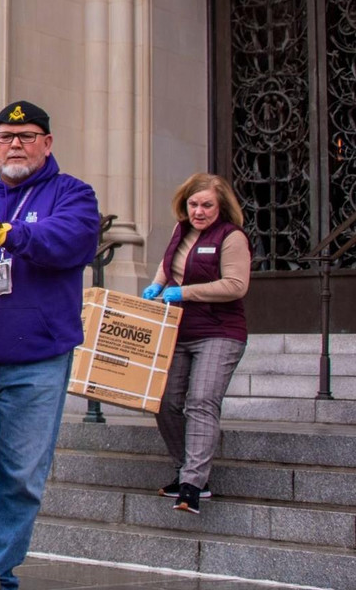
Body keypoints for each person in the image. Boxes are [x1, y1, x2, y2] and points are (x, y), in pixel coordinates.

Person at [0, 100, 99, 590]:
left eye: (28, 136)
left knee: (21, 475)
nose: (16, 144)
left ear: (46, 144)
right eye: (7, 137)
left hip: (38, 359)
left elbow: (71, 240)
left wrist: (9, 234)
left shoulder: (72, 193)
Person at [142, 173, 249, 515]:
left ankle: (192, 484)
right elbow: (168, 264)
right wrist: (156, 286)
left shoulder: (231, 238)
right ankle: (185, 468)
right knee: (164, 401)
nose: (199, 211)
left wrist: (184, 292)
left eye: (207, 205)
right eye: (193, 204)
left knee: (201, 400)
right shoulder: (181, 230)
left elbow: (235, 285)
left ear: (221, 207)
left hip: (219, 331)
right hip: (179, 331)